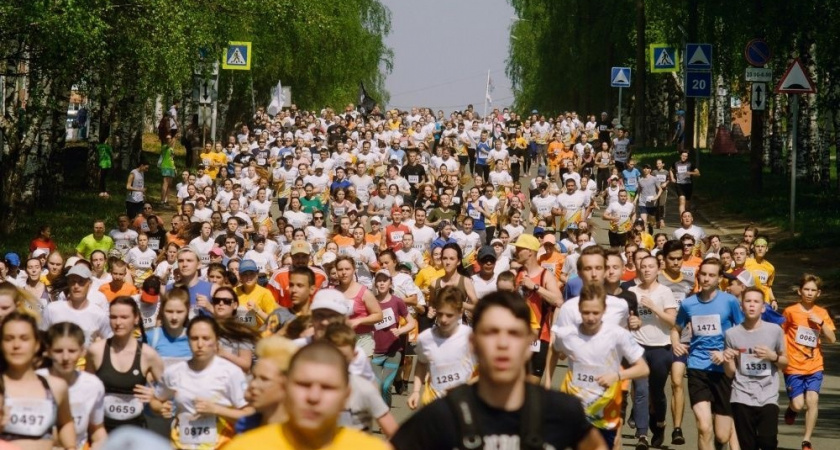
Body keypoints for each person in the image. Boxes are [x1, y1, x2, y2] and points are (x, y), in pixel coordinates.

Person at [392, 290, 608, 450]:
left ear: (529, 343)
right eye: (491, 332)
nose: (503, 344)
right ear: (473, 343)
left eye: (513, 333)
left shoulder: (561, 410)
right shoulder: (441, 415)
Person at [223, 341, 389, 449]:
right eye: (303, 385)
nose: (313, 397)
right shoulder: (243, 447)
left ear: (346, 396)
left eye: (327, 388)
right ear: (285, 387)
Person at [553, 284, 650, 448]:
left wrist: (616, 376)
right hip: (575, 411)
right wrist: (549, 381)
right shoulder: (568, 334)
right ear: (579, 309)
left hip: (605, 411)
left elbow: (643, 369)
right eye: (586, 312)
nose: (591, 318)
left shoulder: (618, 335)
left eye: (595, 313)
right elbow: (555, 351)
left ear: (604, 310)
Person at [671, 258, 744, 450]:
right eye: (703, 274)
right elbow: (676, 328)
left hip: (723, 370)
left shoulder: (729, 301)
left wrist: (728, 352)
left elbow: (744, 332)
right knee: (704, 427)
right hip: (697, 367)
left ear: (719, 278)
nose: (706, 278)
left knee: (722, 435)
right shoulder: (688, 304)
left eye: (711, 275)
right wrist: (676, 343)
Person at [151, 316, 253, 449]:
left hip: (221, 446)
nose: (200, 344)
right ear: (188, 340)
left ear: (216, 341)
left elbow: (249, 414)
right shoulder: (174, 372)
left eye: (206, 338)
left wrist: (216, 409)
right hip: (181, 445)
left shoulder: (231, 372)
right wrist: (160, 408)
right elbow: (156, 400)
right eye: (194, 338)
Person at [0, 312, 77, 449]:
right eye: (9, 339)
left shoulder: (56, 387)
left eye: (24, 339)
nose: (16, 345)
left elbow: (66, 422)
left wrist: (71, 447)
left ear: (36, 344)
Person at [86, 296, 163, 432]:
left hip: (136, 431)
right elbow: (85, 389)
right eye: (113, 317)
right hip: (102, 431)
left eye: (124, 317)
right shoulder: (96, 351)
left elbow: (168, 392)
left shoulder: (148, 355)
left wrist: (154, 396)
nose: (118, 322)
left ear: (136, 319)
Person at [723, 287, 787, 450]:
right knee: (747, 445)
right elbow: (730, 373)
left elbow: (785, 363)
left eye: (756, 302)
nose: (752, 305)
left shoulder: (774, 330)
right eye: (748, 301)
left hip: (768, 395)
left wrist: (772, 356)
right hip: (741, 394)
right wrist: (728, 359)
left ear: (763, 308)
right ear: (741, 306)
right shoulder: (731, 334)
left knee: (767, 442)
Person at [781, 274, 836, 450]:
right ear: (800, 291)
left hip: (814, 365)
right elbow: (781, 333)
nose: (809, 293)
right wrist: (782, 355)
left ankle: (806, 440)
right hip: (794, 365)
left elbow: (832, 339)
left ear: (818, 293)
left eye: (813, 290)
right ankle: (792, 409)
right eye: (806, 289)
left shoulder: (822, 313)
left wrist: (821, 323)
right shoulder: (790, 311)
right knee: (798, 404)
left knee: (813, 400)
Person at [629, 255, 678, 448]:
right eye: (643, 266)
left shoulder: (665, 292)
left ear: (658, 269)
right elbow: (626, 318)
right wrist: (632, 322)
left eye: (651, 266)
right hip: (638, 346)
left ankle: (659, 423)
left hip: (661, 347)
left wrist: (654, 308)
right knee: (641, 390)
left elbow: (673, 322)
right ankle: (642, 434)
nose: (647, 270)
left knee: (657, 392)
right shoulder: (632, 292)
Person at [39, 322, 108, 450]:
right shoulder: (36, 381)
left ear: (82, 351)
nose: (65, 357)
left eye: (72, 351)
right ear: (48, 351)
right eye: (58, 351)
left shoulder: (93, 385)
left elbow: (97, 429)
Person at [408, 285, 474, 410]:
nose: (443, 319)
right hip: (434, 402)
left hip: (464, 404)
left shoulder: (471, 338)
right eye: (440, 314)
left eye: (449, 315)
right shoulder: (425, 338)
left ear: (460, 313)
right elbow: (421, 363)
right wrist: (416, 391)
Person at [670, 149, 699, 214]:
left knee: (687, 203)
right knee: (682, 200)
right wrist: (672, 178)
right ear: (680, 156)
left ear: (687, 157)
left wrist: (690, 173)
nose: (684, 157)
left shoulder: (690, 164)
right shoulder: (676, 163)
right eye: (683, 156)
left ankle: (687, 216)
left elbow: (698, 173)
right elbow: (671, 170)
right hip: (679, 184)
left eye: (686, 156)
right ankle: (682, 217)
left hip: (688, 185)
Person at [160, 135, 177, 206]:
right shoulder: (164, 147)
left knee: (170, 184)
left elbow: (172, 159)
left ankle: (166, 200)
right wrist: (174, 137)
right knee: (165, 183)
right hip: (165, 167)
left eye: (170, 138)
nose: (169, 140)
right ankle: (162, 200)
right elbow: (169, 144)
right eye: (167, 138)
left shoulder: (171, 149)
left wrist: (174, 168)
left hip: (171, 168)